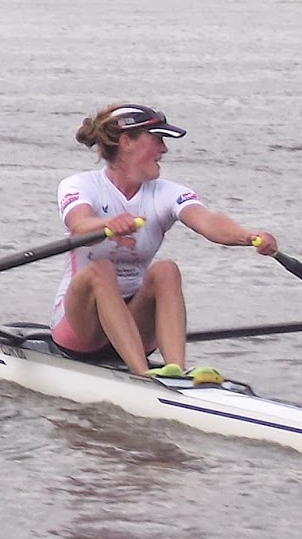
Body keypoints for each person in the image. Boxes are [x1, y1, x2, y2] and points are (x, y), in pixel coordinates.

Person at [51, 103, 278, 380]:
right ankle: (143, 375)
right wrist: (106, 224)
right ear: (126, 143)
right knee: (101, 269)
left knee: (166, 270)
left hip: (134, 322)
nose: (164, 150)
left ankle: (176, 372)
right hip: (81, 329)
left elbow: (207, 221)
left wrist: (248, 236)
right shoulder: (80, 185)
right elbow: (79, 223)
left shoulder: (167, 193)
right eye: (157, 139)